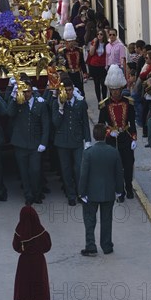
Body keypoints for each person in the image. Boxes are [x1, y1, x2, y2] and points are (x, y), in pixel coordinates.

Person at [79, 123, 124, 256]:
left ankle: (91, 246)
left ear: (94, 136)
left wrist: (81, 192)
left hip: (91, 193)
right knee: (107, 219)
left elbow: (83, 174)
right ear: (106, 135)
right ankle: (107, 246)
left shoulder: (88, 153)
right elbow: (119, 173)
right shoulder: (113, 152)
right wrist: (119, 190)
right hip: (108, 192)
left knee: (89, 220)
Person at [7, 79, 49, 205]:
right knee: (24, 172)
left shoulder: (40, 103)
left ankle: (36, 193)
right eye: (24, 91)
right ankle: (28, 195)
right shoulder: (18, 103)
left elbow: (45, 125)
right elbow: (9, 113)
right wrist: (14, 98)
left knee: (35, 171)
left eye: (29, 91)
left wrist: (43, 142)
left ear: (32, 91)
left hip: (35, 144)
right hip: (20, 143)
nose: (26, 94)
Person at [98, 65, 137, 201]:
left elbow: (132, 123)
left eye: (118, 90)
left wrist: (134, 138)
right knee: (115, 167)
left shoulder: (129, 103)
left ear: (121, 88)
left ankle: (129, 187)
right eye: (113, 90)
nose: (115, 93)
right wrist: (109, 131)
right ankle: (119, 191)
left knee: (128, 165)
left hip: (126, 138)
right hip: (112, 140)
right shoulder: (104, 105)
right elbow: (101, 125)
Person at [52, 78, 91, 206]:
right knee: (66, 169)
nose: (67, 93)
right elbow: (55, 123)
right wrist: (61, 108)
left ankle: (81, 193)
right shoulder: (56, 104)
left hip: (77, 140)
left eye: (69, 90)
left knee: (79, 168)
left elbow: (85, 123)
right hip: (62, 142)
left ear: (73, 90)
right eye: (65, 90)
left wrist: (88, 140)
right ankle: (71, 195)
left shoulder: (79, 103)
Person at [13, 206, 51, 300]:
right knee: (39, 281)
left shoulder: (19, 230)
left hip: (24, 261)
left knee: (24, 282)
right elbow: (47, 245)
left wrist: (23, 249)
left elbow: (15, 246)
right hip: (38, 260)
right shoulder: (40, 230)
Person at [60, 23, 88, 96]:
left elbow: (82, 62)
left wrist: (84, 73)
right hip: (68, 74)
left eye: (72, 41)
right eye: (69, 41)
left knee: (80, 90)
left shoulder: (79, 50)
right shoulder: (63, 51)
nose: (70, 43)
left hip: (78, 74)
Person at [87, 29, 108, 102]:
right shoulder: (94, 42)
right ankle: (99, 100)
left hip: (103, 66)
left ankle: (104, 99)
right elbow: (91, 53)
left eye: (101, 34)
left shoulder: (107, 44)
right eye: (98, 34)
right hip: (94, 65)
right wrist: (94, 43)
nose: (99, 36)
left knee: (103, 83)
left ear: (104, 35)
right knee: (97, 83)